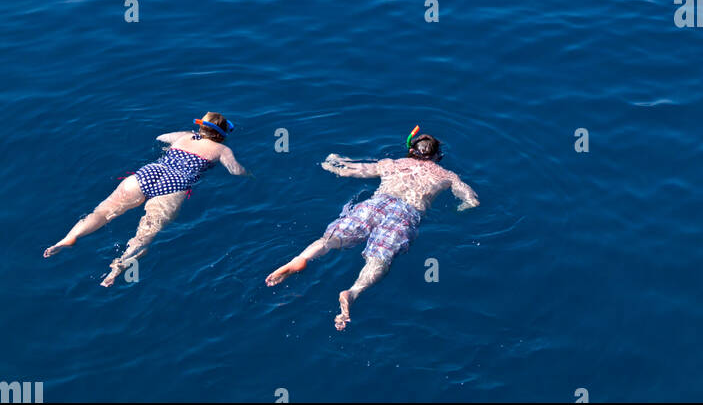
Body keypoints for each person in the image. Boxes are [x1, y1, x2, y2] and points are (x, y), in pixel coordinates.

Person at [265, 128, 480, 331]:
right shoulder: (446, 176)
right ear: (436, 156)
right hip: (406, 214)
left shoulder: (391, 164)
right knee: (380, 259)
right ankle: (353, 292)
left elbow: (351, 170)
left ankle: (301, 258)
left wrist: (333, 162)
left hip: (376, 203)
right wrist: (457, 210)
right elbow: (472, 202)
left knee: (330, 239)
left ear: (411, 150)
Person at [43, 113, 247, 286]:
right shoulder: (222, 149)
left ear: (201, 126)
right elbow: (236, 171)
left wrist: (180, 142)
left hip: (149, 173)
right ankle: (118, 267)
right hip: (176, 184)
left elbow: (161, 137)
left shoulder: (185, 137)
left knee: (103, 213)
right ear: (222, 135)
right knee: (146, 234)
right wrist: (250, 175)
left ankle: (70, 237)